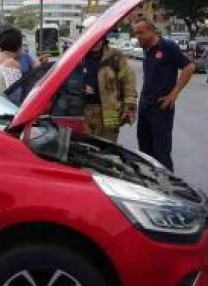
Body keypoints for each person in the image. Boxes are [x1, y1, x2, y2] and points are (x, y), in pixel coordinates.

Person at [132, 18, 194, 172]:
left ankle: (169, 189)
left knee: (161, 154)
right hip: (145, 106)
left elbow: (189, 66)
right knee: (145, 152)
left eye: (140, 33)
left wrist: (175, 92)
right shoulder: (147, 49)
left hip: (161, 108)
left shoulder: (168, 47)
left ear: (152, 31)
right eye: (135, 33)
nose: (137, 37)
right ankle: (150, 187)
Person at [80, 16, 136, 142]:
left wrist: (129, 108)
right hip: (83, 113)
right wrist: (81, 87)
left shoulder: (115, 57)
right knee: (84, 153)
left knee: (106, 153)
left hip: (108, 113)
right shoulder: (78, 57)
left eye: (98, 36)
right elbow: (67, 82)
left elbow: (128, 83)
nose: (96, 40)